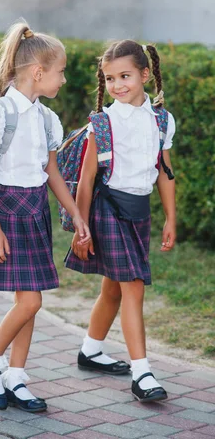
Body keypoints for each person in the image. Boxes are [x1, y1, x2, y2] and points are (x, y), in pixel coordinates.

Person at [0, 21, 90, 412]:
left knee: (29, 298)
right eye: (61, 71)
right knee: (32, 301)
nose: (64, 79)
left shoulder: (46, 118)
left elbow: (51, 172)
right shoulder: (0, 114)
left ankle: (16, 377)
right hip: (5, 211)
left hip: (34, 211)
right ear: (38, 73)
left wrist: (74, 213)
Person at [65, 39, 176, 403]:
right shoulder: (104, 121)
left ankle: (91, 350)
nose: (117, 85)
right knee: (134, 285)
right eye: (110, 78)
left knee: (113, 287)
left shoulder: (162, 119)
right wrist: (81, 227)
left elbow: (164, 171)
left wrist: (170, 218)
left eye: (125, 76)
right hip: (108, 210)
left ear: (145, 75)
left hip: (138, 212)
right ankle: (142, 373)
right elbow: (86, 177)